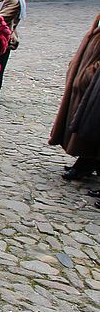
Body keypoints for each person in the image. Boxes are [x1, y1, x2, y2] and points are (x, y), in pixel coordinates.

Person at [49, 11, 100, 184]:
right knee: (80, 121)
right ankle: (86, 160)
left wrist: (89, 74)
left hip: (92, 85)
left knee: (91, 125)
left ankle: (86, 163)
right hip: (84, 84)